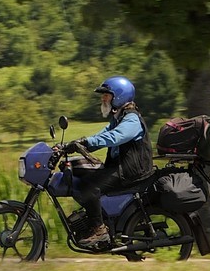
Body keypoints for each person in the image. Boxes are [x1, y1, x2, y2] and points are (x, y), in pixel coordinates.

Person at [61, 76, 154, 248]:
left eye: (106, 95)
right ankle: (99, 221)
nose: (103, 99)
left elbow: (114, 137)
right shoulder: (118, 118)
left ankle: (99, 231)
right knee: (79, 172)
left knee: (90, 187)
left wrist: (85, 142)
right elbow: (101, 136)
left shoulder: (132, 119)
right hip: (122, 168)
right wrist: (70, 146)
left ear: (118, 96)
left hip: (132, 172)